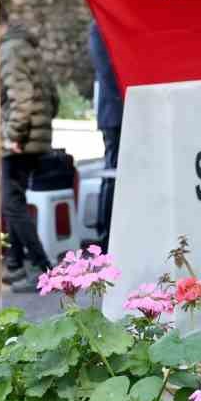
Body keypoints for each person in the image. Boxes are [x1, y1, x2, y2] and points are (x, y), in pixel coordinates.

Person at [1, 21, 58, 290]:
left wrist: (14, 134)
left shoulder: (9, 50)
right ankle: (14, 264)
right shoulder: (28, 47)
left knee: (11, 203)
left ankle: (42, 266)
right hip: (35, 139)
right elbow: (53, 96)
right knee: (14, 201)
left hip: (19, 141)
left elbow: (20, 96)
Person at [86, 20, 121, 243]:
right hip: (115, 113)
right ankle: (106, 234)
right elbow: (107, 72)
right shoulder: (100, 26)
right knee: (113, 174)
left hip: (124, 111)